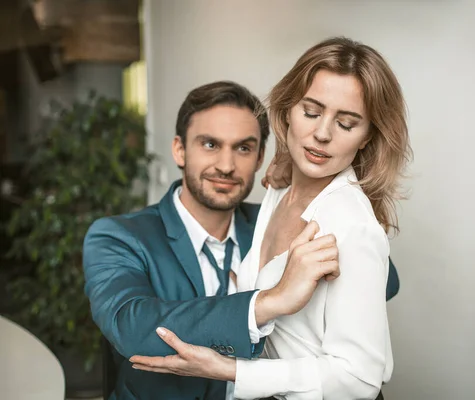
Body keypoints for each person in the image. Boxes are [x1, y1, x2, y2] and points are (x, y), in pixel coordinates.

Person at [130, 37, 411, 400]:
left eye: (346, 123)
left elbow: (359, 379)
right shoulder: (279, 189)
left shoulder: (352, 226)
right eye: (311, 112)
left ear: (367, 136)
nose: (322, 134)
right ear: (287, 109)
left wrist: (231, 371)